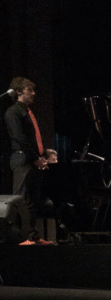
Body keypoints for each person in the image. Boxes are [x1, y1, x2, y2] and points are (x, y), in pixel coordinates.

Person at [4, 77, 50, 244]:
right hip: (22, 159)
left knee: (33, 201)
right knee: (21, 200)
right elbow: (19, 138)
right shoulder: (13, 111)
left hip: (31, 159)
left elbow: (32, 138)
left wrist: (43, 154)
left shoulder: (27, 112)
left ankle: (33, 236)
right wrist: (35, 158)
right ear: (18, 92)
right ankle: (21, 238)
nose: (33, 93)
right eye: (29, 90)